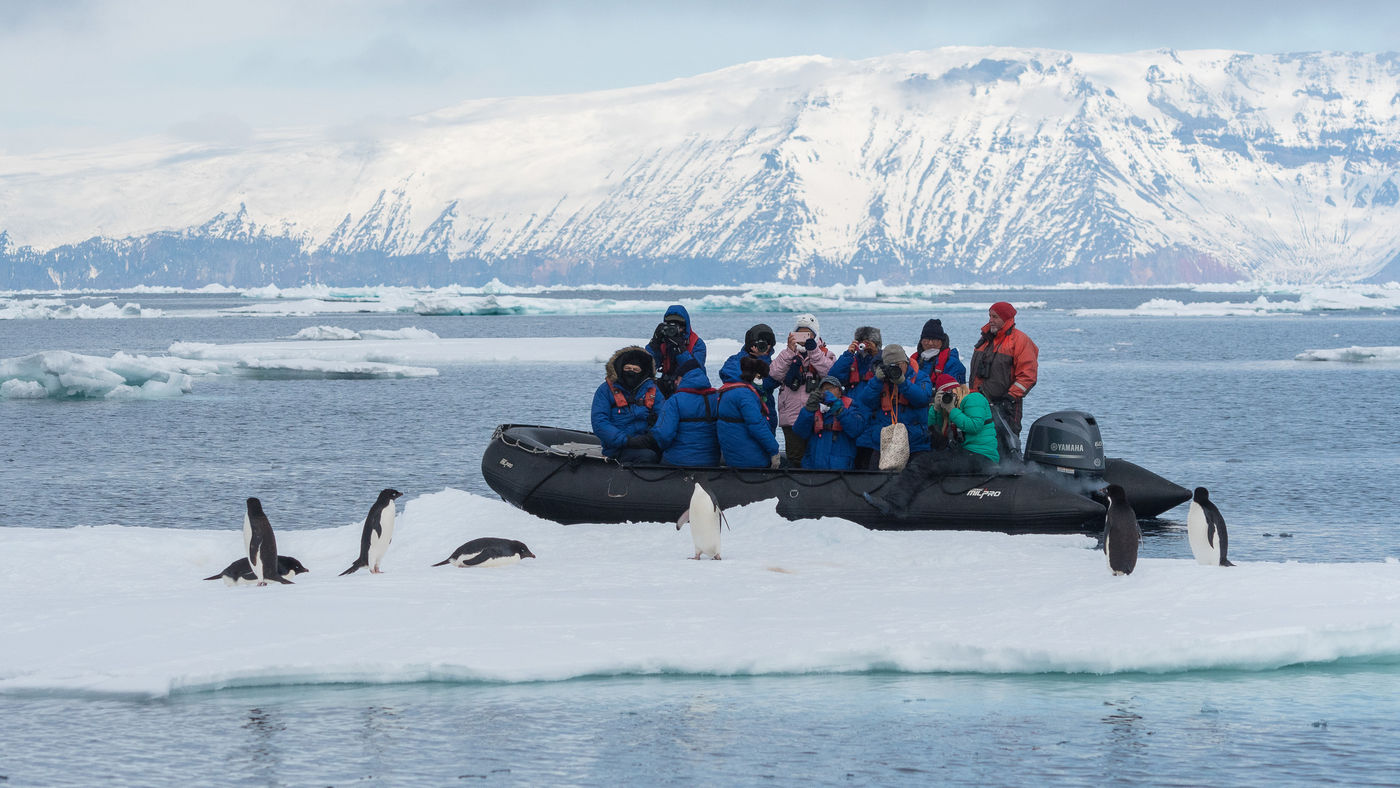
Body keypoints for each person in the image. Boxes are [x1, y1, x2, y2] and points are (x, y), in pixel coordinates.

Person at [864, 383, 1000, 517]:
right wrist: (936, 409)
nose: (949, 397)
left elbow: (974, 426)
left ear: (957, 389)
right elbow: (937, 432)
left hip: (981, 456)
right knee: (926, 460)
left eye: (950, 393)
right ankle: (898, 502)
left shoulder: (973, 398)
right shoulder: (956, 408)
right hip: (968, 454)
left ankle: (893, 505)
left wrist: (952, 410)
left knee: (923, 463)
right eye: (943, 395)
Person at [970, 301, 1038, 460]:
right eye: (990, 316)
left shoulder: (1020, 341)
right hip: (981, 404)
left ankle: (1012, 472)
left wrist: (1011, 397)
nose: (991, 320)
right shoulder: (985, 340)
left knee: (1008, 442)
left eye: (995, 317)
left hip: (1007, 406)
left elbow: (1028, 375)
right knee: (982, 443)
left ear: (1006, 318)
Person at [767, 313, 835, 468]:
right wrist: (790, 352)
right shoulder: (787, 354)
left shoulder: (826, 354)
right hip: (791, 417)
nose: (804, 337)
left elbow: (831, 374)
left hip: (817, 416)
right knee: (795, 458)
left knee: (817, 457)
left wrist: (814, 352)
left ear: (816, 335)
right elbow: (774, 374)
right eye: (800, 333)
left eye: (808, 334)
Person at [854, 343, 933, 469]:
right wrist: (876, 381)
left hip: (914, 442)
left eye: (898, 365)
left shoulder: (920, 377)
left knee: (914, 482)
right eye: (891, 366)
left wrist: (903, 383)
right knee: (876, 482)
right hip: (884, 442)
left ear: (906, 362)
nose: (895, 369)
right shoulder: (880, 380)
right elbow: (866, 401)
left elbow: (922, 399)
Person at [591, 346, 666, 463]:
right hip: (617, 448)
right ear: (621, 368)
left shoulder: (653, 391)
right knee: (648, 457)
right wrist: (626, 440)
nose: (631, 372)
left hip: (646, 443)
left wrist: (651, 438)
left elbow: (663, 418)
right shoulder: (605, 390)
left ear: (642, 371)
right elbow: (599, 422)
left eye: (635, 369)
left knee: (668, 456)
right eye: (627, 368)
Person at [649, 357, 720, 466]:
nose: (675, 382)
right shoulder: (716, 397)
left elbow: (663, 435)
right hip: (711, 460)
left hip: (677, 460)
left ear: (683, 378)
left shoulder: (674, 401)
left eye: (677, 379)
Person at [717, 356, 782, 468]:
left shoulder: (726, 391)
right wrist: (774, 450)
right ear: (754, 375)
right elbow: (757, 425)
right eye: (759, 377)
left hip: (734, 456)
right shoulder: (744, 395)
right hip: (751, 458)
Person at [792, 375, 868, 470]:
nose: (826, 391)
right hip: (812, 467)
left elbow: (857, 429)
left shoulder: (851, 408)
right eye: (823, 389)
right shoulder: (814, 409)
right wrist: (808, 410)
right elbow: (799, 432)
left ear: (840, 392)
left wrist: (840, 411)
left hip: (839, 469)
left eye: (831, 388)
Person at [719, 323, 779, 434]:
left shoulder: (771, 365)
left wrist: (763, 359)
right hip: (741, 417)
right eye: (761, 343)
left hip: (766, 415)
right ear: (751, 344)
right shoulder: (736, 361)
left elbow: (768, 383)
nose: (765, 346)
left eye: (768, 343)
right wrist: (752, 371)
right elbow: (727, 374)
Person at [646, 304, 706, 397]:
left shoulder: (696, 343)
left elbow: (696, 372)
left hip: (688, 386)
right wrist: (654, 343)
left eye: (679, 326)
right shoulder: (663, 341)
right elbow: (648, 367)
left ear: (685, 326)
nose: (674, 330)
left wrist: (680, 349)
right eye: (670, 325)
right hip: (666, 385)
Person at [829, 326, 883, 394]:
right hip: (851, 401)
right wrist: (848, 354)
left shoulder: (881, 360)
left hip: (873, 400)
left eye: (867, 343)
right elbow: (833, 378)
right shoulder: (850, 360)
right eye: (860, 342)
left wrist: (876, 354)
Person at [913, 318, 966, 384]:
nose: (930, 343)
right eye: (926, 339)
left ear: (942, 342)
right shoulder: (913, 361)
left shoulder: (953, 364)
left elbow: (954, 390)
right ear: (921, 341)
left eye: (934, 340)